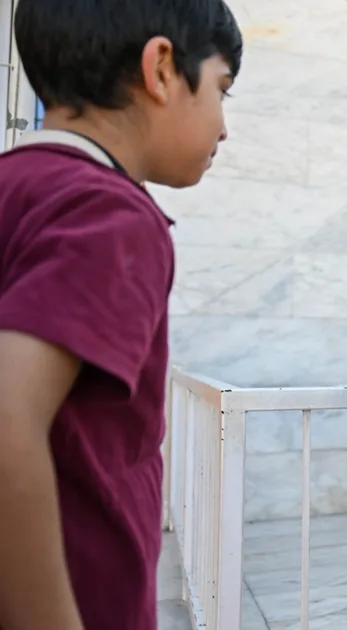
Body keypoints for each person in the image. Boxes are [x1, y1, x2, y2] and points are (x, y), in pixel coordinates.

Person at [0, 2, 241, 629]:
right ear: (161, 69)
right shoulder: (109, 215)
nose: (223, 129)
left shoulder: (17, 186)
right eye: (221, 89)